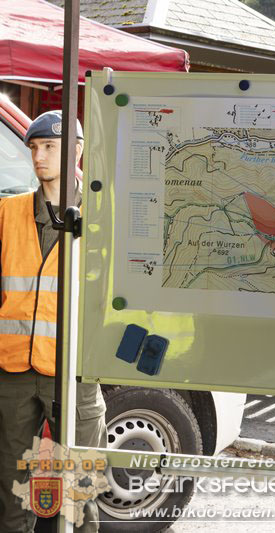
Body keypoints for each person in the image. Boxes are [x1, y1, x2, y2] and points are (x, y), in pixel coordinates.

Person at [0, 110, 107, 533]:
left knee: (78, 488)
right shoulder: (7, 214)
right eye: (34, 148)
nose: (38, 157)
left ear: (76, 152)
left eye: (49, 147)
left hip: (74, 372)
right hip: (14, 371)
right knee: (12, 492)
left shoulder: (101, 215)